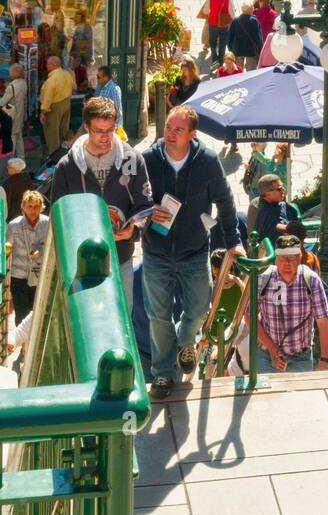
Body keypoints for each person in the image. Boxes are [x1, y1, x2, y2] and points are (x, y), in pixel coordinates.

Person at [142, 105, 243, 399]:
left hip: (195, 250)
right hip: (156, 251)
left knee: (199, 309)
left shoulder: (208, 161)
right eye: (168, 128)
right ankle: (163, 374)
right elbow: (134, 199)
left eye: (178, 130)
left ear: (192, 134)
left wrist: (233, 240)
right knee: (157, 315)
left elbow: (225, 202)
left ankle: (186, 342)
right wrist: (149, 213)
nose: (170, 134)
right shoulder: (148, 159)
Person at [50, 96, 152, 308]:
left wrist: (133, 232)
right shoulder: (66, 167)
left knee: (123, 316)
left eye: (110, 130)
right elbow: (58, 216)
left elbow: (145, 206)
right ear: (86, 127)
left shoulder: (132, 159)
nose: (106, 137)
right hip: (82, 262)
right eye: (99, 131)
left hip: (121, 256)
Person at [254, 234, 328, 374]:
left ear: (300, 258)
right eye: (282, 257)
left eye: (292, 257)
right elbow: (249, 316)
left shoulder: (311, 280)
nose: (287, 263)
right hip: (267, 356)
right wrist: (272, 348)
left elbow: (324, 321)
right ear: (275, 259)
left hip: (301, 357)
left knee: (300, 396)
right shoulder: (263, 279)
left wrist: (324, 360)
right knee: (267, 396)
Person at [7, 190, 50, 322]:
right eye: (29, 206)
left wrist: (40, 250)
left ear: (41, 207)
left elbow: (51, 245)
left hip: (38, 276)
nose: (33, 210)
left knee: (37, 315)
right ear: (23, 207)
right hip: (18, 277)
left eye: (36, 206)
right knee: (21, 315)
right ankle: (22, 343)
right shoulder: (14, 225)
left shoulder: (47, 223)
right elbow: (7, 251)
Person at [39, 55, 76, 155]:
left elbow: (47, 98)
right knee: (64, 130)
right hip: (66, 103)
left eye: (48, 64)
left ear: (53, 65)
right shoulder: (67, 74)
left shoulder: (51, 80)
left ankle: (54, 156)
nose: (46, 65)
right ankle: (66, 152)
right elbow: (73, 86)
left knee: (52, 133)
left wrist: (43, 112)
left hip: (54, 107)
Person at [253, 173, 301, 246]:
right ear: (267, 194)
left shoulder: (277, 204)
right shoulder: (267, 214)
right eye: (279, 189)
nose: (283, 190)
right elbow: (283, 244)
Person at [1, 63, 27, 160]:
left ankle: (11, 161)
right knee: (19, 138)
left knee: (12, 138)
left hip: (12, 115)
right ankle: (21, 159)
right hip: (20, 113)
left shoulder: (11, 86)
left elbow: (2, 102)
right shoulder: (23, 82)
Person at [227, 4, 263, 70]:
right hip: (251, 51)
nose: (253, 10)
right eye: (252, 8)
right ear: (248, 9)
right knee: (250, 73)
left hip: (237, 50)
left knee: (238, 72)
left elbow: (229, 37)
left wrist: (231, 49)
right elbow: (259, 39)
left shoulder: (235, 20)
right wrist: (260, 50)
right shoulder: (254, 21)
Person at [207, 0, 232, 66]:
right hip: (224, 23)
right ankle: (221, 62)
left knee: (212, 42)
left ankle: (214, 59)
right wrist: (231, 23)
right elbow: (232, 12)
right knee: (223, 43)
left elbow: (206, 11)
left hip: (213, 22)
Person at [96, 64, 124, 130]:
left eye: (98, 77)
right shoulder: (98, 87)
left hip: (110, 126)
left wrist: (115, 128)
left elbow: (118, 111)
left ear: (105, 77)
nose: (97, 79)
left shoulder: (114, 89)